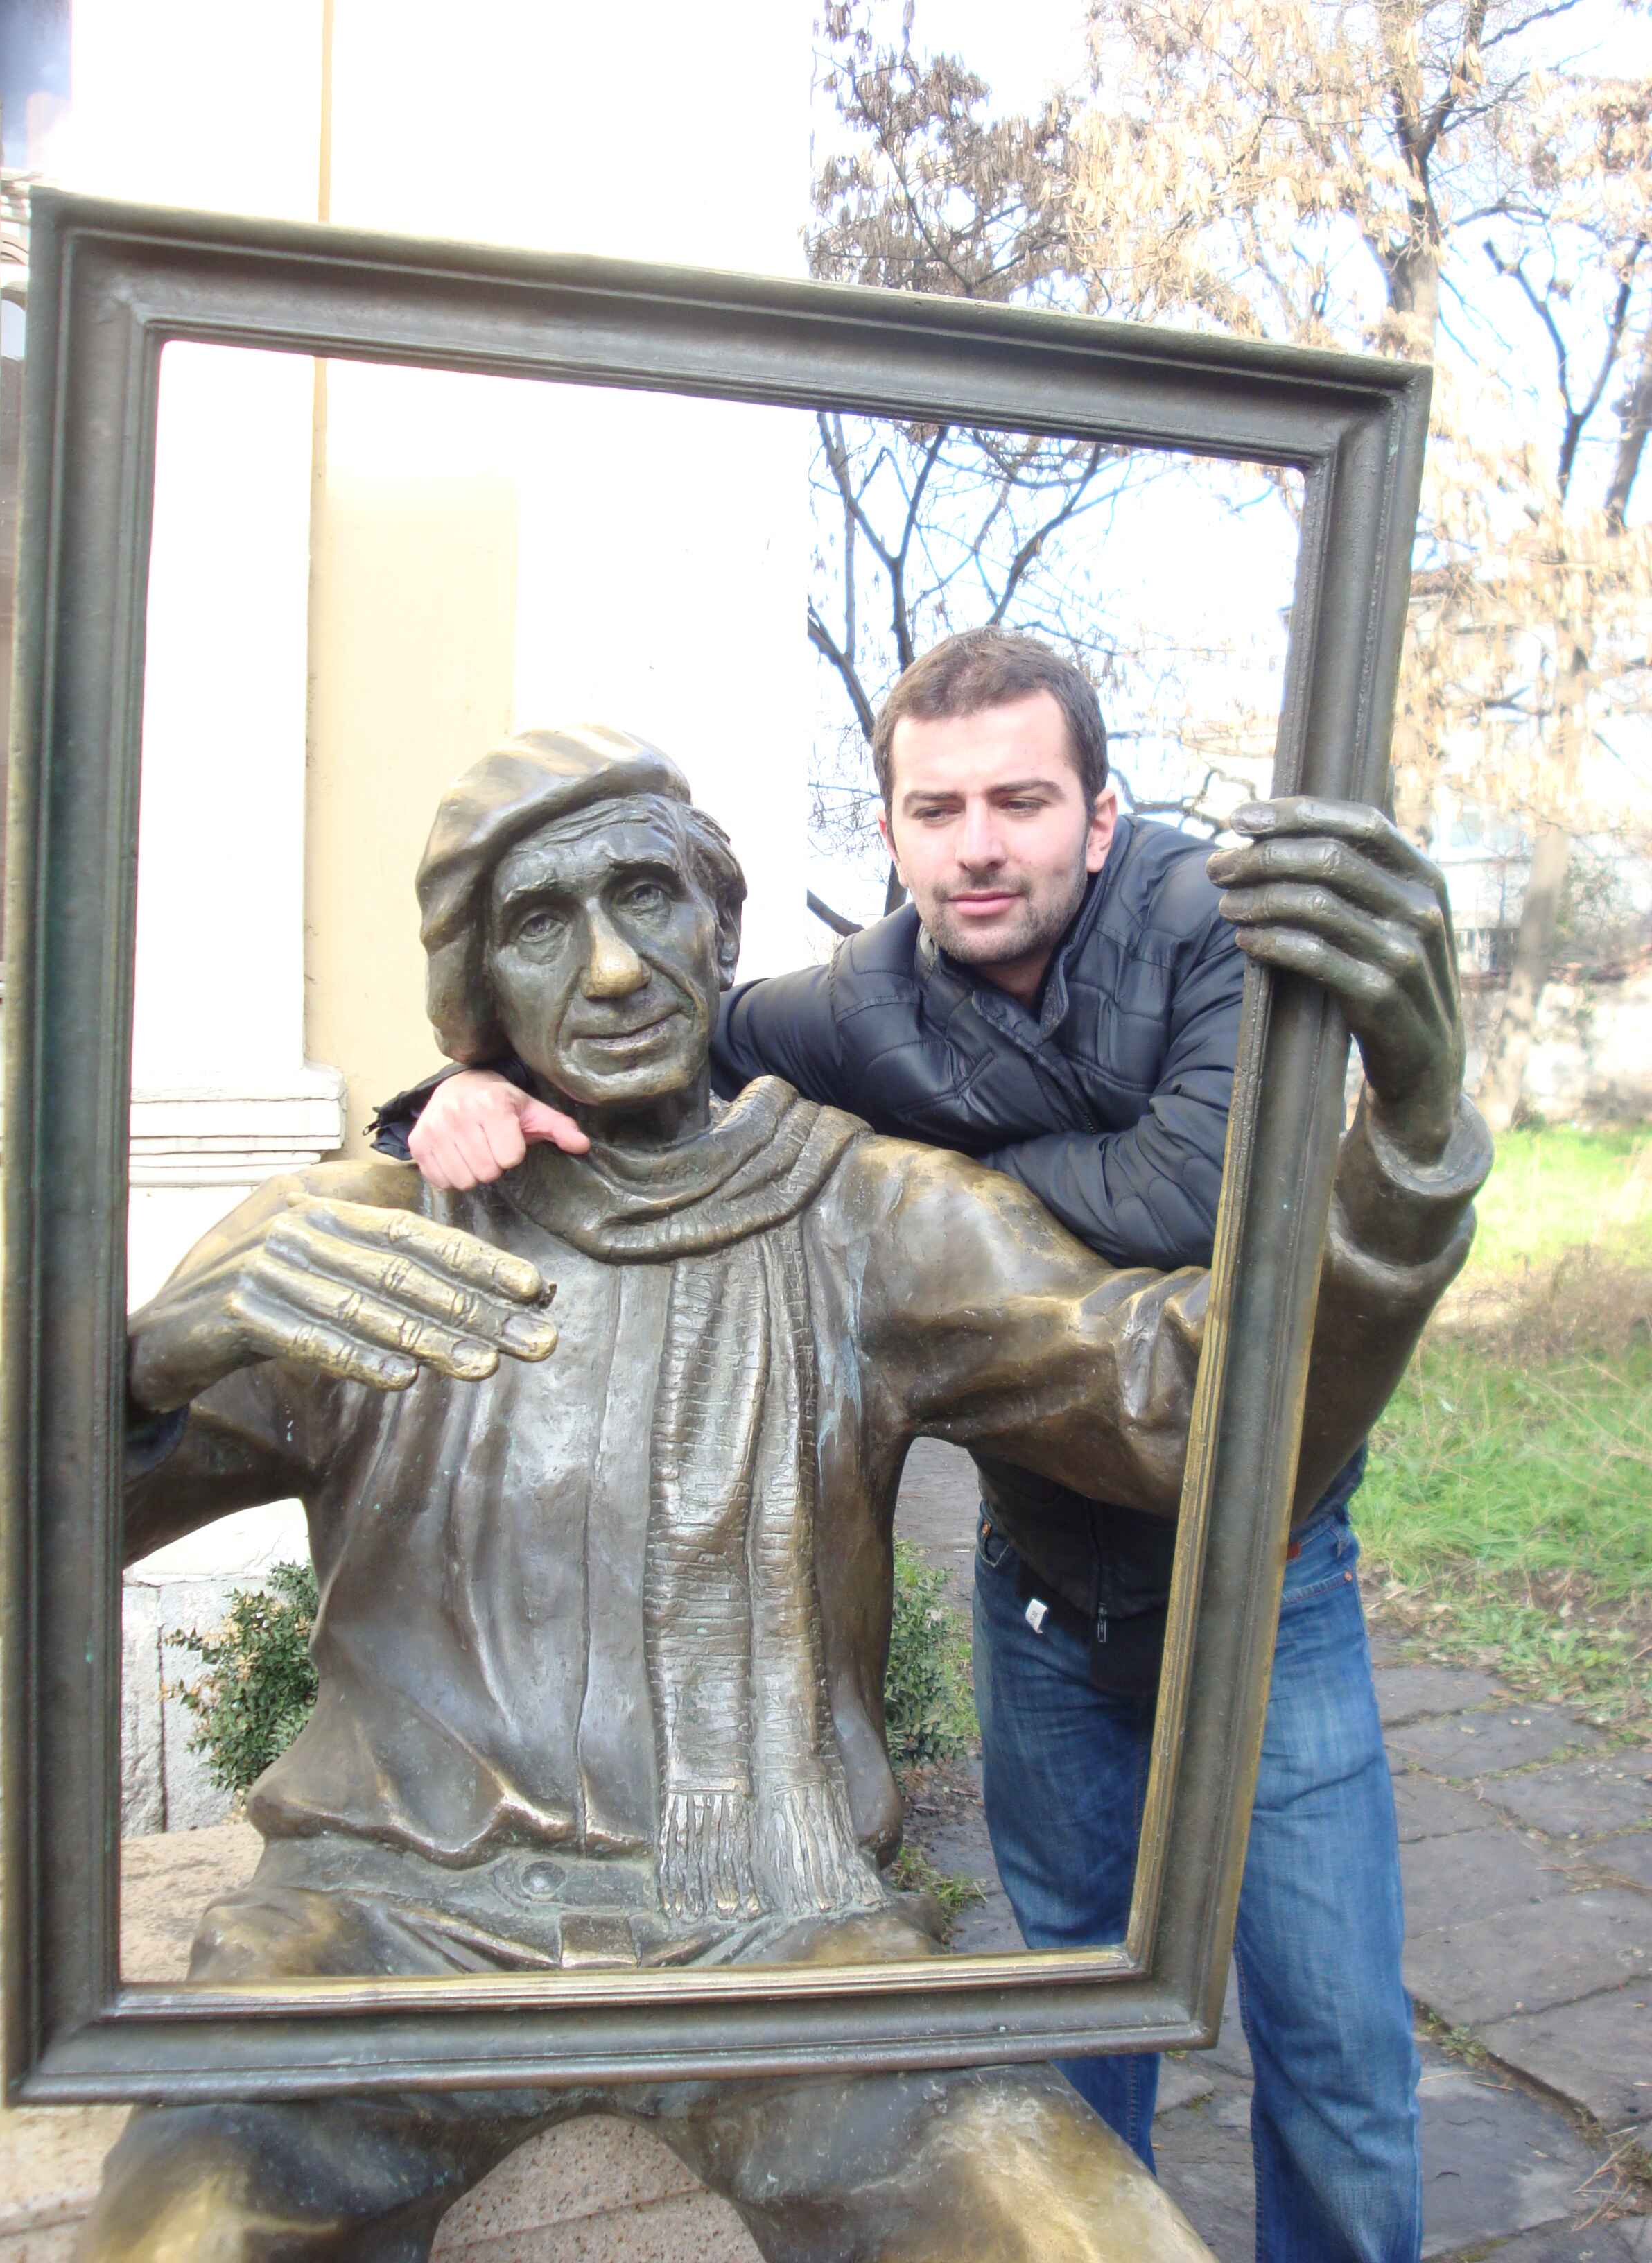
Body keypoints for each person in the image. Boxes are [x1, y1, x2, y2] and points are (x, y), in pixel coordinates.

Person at [0, 725, 1483, 2263]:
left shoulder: (867, 1216)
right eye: (540, 925)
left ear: (720, 929)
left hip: (780, 1925)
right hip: (373, 1925)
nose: (616, 970)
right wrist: (137, 1369)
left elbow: (1190, 1413)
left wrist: (1410, 1142)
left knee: (1079, 2233)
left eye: (647, 897)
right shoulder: (354, 1241)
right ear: (475, 995)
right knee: (188, 2234)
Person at [388, 638, 1484, 2263]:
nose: (978, 846)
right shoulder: (858, 1002)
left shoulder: (1223, 930)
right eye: (936, 809)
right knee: (1067, 2016)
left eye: (1021, 803)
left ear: (1099, 817)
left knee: (1334, 2046)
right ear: (892, 832)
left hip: (1264, 1586)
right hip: (1042, 1595)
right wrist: (459, 1087)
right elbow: (657, 1029)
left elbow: (1196, 1202)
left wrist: (912, 1210)